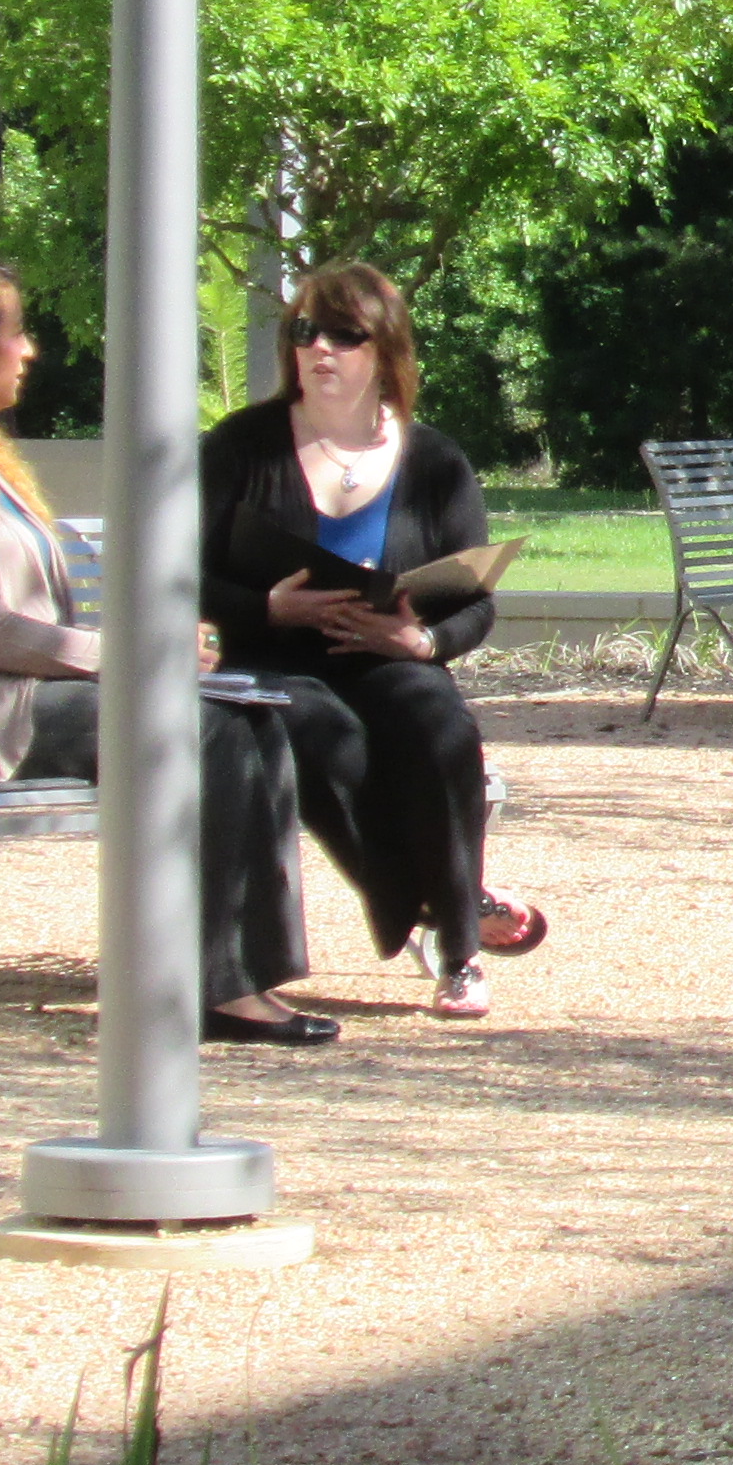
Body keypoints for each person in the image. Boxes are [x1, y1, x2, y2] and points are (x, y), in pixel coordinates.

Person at [0, 250, 325, 1042]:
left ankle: (241, 976)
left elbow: (33, 618)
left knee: (256, 717)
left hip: (20, 698)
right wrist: (136, 658)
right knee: (208, 728)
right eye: (17, 333)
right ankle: (218, 987)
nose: (30, 351)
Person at [201, 261, 548, 1022]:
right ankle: (440, 904)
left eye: (344, 336)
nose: (320, 350)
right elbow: (182, 575)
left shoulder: (436, 464)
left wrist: (421, 640)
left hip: (389, 655)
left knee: (440, 725)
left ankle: (460, 958)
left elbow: (474, 603)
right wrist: (268, 607)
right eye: (304, 333)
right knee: (321, 735)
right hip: (275, 657)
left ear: (384, 350)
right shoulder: (241, 447)